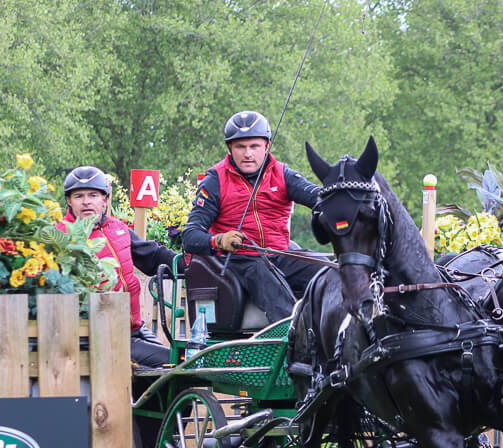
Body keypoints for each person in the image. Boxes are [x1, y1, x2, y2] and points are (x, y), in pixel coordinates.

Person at [174, 110, 324, 323]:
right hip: (238, 260)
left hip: (279, 253)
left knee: (329, 270)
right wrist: (219, 240)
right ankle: (294, 343)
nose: (248, 154)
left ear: (267, 146)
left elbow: (319, 198)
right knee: (263, 274)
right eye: (240, 147)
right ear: (230, 148)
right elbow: (190, 236)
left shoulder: (283, 174)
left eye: (254, 146)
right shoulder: (215, 180)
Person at [60, 166, 180, 368]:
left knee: (178, 362)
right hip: (97, 337)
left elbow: (154, 255)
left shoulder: (119, 230)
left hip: (134, 329)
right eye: (79, 196)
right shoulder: (61, 237)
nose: (87, 201)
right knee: (169, 368)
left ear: (105, 200)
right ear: (69, 201)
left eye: (93, 195)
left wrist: (196, 265)